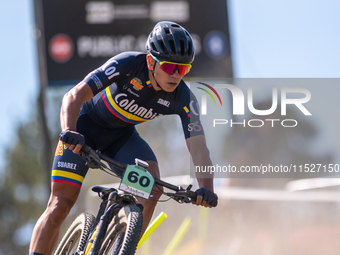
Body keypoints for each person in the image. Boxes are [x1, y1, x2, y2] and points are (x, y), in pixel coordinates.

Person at [29, 21, 218, 255]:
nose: (177, 76)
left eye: (184, 69)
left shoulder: (183, 98)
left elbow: (199, 149)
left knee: (151, 188)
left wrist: (206, 189)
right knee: (60, 205)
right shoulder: (127, 65)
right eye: (170, 67)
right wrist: (69, 130)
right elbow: (73, 96)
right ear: (151, 61)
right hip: (83, 130)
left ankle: (124, 248)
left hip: (121, 139)